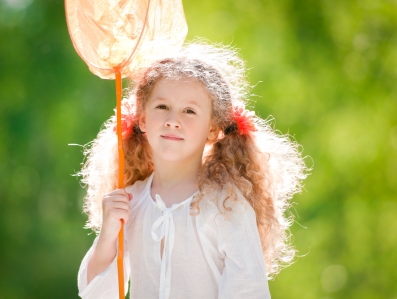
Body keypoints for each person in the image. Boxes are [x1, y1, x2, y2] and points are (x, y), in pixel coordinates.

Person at [76, 42, 308, 299]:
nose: (173, 120)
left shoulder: (227, 205)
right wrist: (108, 235)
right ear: (142, 119)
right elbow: (95, 293)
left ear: (212, 129)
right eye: (162, 107)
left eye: (189, 111)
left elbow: (248, 290)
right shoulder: (130, 202)